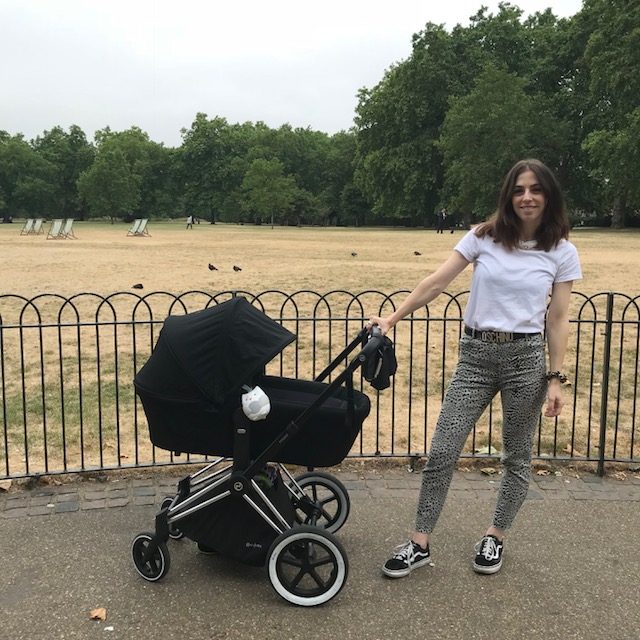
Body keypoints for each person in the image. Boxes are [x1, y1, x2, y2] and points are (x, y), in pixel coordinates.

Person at [368, 158, 582, 578]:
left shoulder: (561, 251)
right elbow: (436, 281)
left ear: (548, 196)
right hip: (476, 357)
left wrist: (554, 378)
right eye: (519, 189)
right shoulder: (482, 237)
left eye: (536, 189)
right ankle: (419, 542)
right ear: (508, 195)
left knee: (516, 457)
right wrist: (392, 318)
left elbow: (557, 319)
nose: (527, 197)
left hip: (525, 361)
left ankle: (495, 536)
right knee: (443, 449)